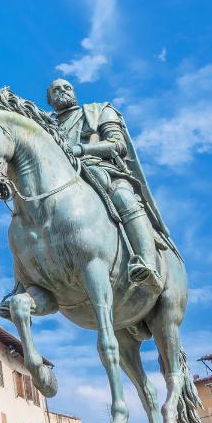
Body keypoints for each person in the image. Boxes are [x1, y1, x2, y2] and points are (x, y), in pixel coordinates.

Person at [46, 78, 169, 289]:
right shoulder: (46, 124)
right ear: (49, 99)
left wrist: (81, 150)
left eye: (67, 87)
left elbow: (117, 144)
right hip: (59, 179)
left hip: (101, 169)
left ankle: (147, 263)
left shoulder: (99, 111)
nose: (62, 91)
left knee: (123, 196)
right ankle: (25, 281)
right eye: (56, 90)